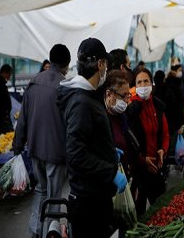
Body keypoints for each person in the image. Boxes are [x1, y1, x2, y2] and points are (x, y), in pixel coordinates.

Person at [58, 38, 126, 238]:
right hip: (88, 201)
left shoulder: (88, 96)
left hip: (96, 195)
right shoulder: (81, 102)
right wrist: (110, 172)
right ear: (100, 64)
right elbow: (76, 155)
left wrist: (107, 150)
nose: (106, 69)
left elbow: (87, 140)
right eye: (106, 63)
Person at [12, 44, 71, 238]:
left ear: (51, 60)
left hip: (35, 148)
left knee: (40, 190)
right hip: (56, 151)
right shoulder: (65, 86)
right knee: (54, 197)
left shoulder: (34, 81)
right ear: (67, 64)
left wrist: (18, 145)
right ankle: (48, 233)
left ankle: (35, 231)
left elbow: (23, 118)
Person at [126, 68, 170, 216]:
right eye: (139, 82)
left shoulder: (158, 105)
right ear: (135, 87)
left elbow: (165, 134)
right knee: (139, 215)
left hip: (157, 168)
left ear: (152, 83)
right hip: (139, 172)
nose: (143, 85)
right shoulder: (131, 109)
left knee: (162, 212)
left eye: (146, 81)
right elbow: (128, 143)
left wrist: (163, 150)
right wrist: (143, 160)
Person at [102, 70, 139, 236]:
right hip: (107, 188)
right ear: (109, 94)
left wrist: (133, 178)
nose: (126, 100)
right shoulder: (100, 119)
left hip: (125, 180)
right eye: (123, 96)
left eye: (128, 95)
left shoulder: (122, 117)